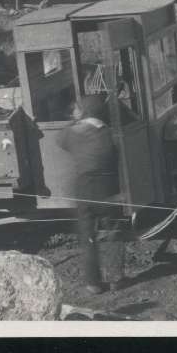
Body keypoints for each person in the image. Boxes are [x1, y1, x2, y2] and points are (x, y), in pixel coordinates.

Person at [56, 95, 126, 294]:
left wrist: (75, 120)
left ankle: (92, 283)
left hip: (84, 188)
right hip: (107, 188)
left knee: (88, 236)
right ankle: (116, 279)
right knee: (113, 232)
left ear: (83, 112)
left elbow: (59, 139)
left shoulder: (73, 133)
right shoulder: (109, 133)